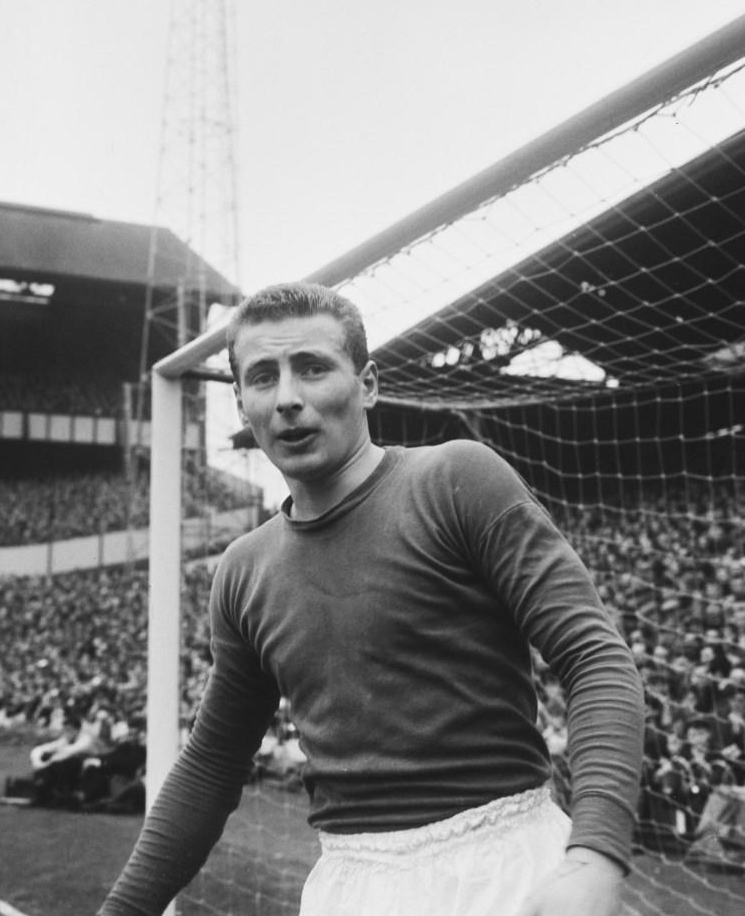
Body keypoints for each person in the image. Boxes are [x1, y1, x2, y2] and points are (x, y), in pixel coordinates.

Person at [97, 283, 644, 916]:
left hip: (504, 867)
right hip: (350, 888)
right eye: (263, 377)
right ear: (242, 403)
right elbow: (211, 765)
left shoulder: (456, 480)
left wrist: (594, 854)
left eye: (313, 367)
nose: (289, 399)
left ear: (369, 385)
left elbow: (596, 658)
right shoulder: (242, 571)